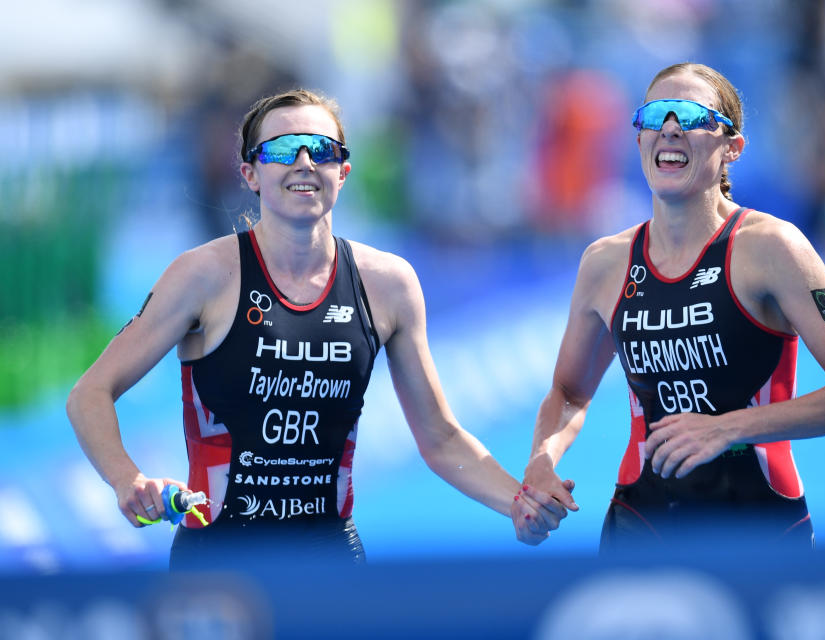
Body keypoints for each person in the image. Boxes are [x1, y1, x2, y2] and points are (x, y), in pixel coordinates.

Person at [66, 88, 570, 569]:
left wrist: (517, 502)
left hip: (331, 561)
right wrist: (126, 479)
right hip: (219, 563)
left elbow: (439, 436)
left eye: (322, 150)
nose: (304, 162)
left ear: (343, 172)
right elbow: (90, 393)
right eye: (283, 149)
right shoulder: (204, 275)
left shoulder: (387, 284)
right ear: (250, 173)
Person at [513, 63, 825, 550]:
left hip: (759, 525)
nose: (670, 127)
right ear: (640, 139)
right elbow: (568, 392)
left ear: (732, 147)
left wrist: (728, 429)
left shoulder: (773, 248)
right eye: (655, 115)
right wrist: (542, 461)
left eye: (689, 115)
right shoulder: (606, 263)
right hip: (640, 523)